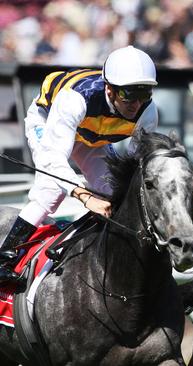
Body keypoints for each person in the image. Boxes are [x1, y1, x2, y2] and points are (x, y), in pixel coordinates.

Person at [0, 45, 159, 285]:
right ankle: (4, 259)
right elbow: (53, 162)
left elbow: (133, 170)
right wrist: (85, 196)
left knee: (113, 190)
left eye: (144, 93)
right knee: (50, 190)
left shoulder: (148, 112)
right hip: (49, 119)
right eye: (128, 94)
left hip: (90, 135)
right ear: (110, 88)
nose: (136, 104)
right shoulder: (75, 99)